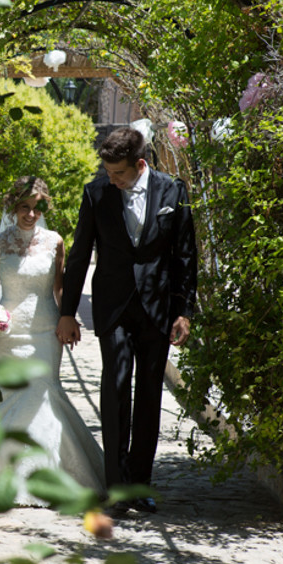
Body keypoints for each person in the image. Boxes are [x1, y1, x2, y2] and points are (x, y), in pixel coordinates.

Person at [55, 127, 198, 514]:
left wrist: (184, 310)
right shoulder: (96, 192)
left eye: (118, 174)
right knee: (116, 386)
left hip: (156, 307)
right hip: (113, 305)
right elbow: (81, 253)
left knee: (149, 394)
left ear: (140, 164)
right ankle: (115, 488)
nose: (112, 180)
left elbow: (186, 254)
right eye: (108, 173)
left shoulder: (173, 191)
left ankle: (140, 485)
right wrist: (67, 311)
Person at [0, 177, 107, 505]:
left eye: (37, 208)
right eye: (25, 207)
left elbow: (59, 288)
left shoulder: (55, 242)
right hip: (10, 334)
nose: (31, 214)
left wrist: (70, 318)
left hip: (45, 332)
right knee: (13, 399)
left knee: (43, 395)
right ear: (14, 207)